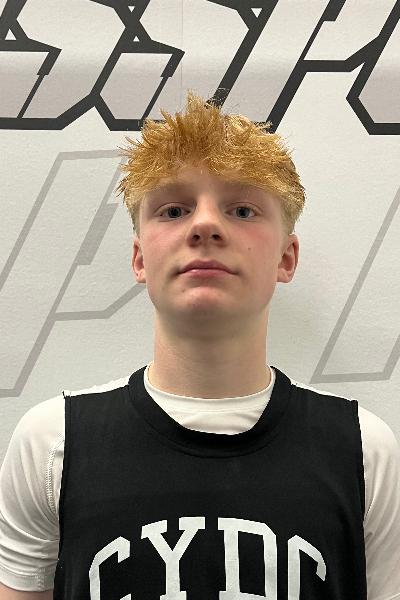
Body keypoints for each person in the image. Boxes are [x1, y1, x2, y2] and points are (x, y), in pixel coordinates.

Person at [1, 91, 400, 600]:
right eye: (173, 209)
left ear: (286, 258)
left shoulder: (363, 449)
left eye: (242, 209)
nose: (205, 224)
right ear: (140, 258)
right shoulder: (53, 444)